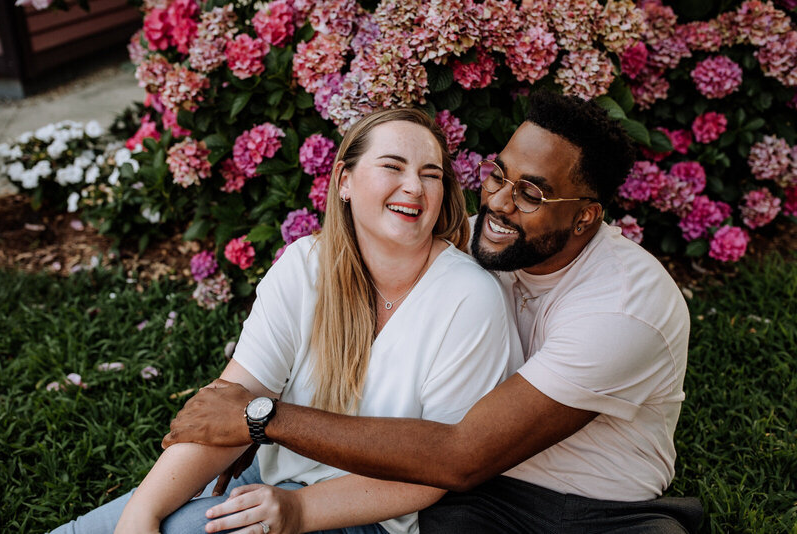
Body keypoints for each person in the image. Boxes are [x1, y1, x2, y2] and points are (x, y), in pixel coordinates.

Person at [164, 91, 703, 533]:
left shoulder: (622, 311)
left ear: (585, 218)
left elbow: (459, 456)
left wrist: (263, 420)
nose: (497, 203)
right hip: (470, 493)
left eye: (532, 193)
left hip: (590, 508)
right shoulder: (480, 241)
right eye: (498, 175)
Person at [49, 108, 522, 534]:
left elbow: (435, 470)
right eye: (392, 167)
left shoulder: (468, 297)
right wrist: (142, 513)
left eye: (431, 174)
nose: (415, 187)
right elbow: (228, 407)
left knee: (189, 530)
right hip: (272, 472)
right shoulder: (306, 265)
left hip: (377, 516)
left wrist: (299, 511)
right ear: (344, 182)